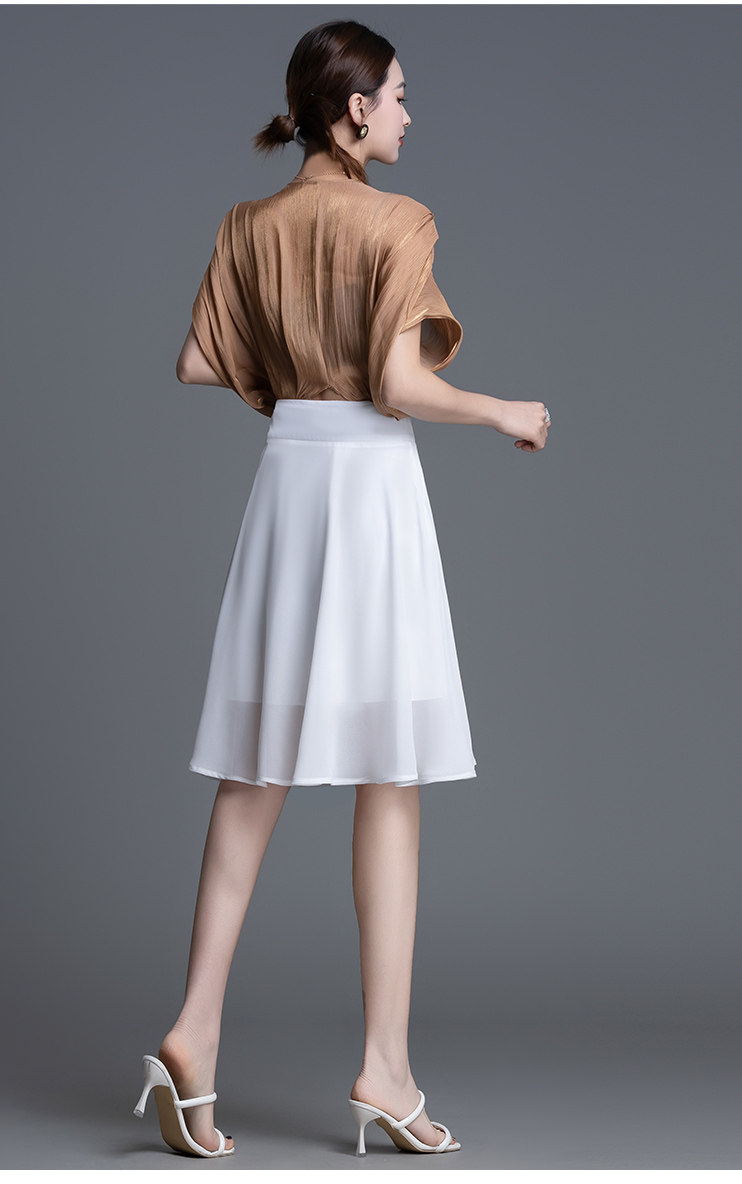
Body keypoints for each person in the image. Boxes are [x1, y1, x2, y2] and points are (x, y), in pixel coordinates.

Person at [132, 18, 550, 1161]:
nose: (409, 113)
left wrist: (294, 382)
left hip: (287, 484)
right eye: (399, 96)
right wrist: (503, 410)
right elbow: (400, 385)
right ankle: (384, 1068)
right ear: (353, 110)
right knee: (389, 774)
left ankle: (193, 1030)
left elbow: (198, 360)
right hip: (366, 490)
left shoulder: (246, 224)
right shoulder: (396, 220)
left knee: (253, 767)